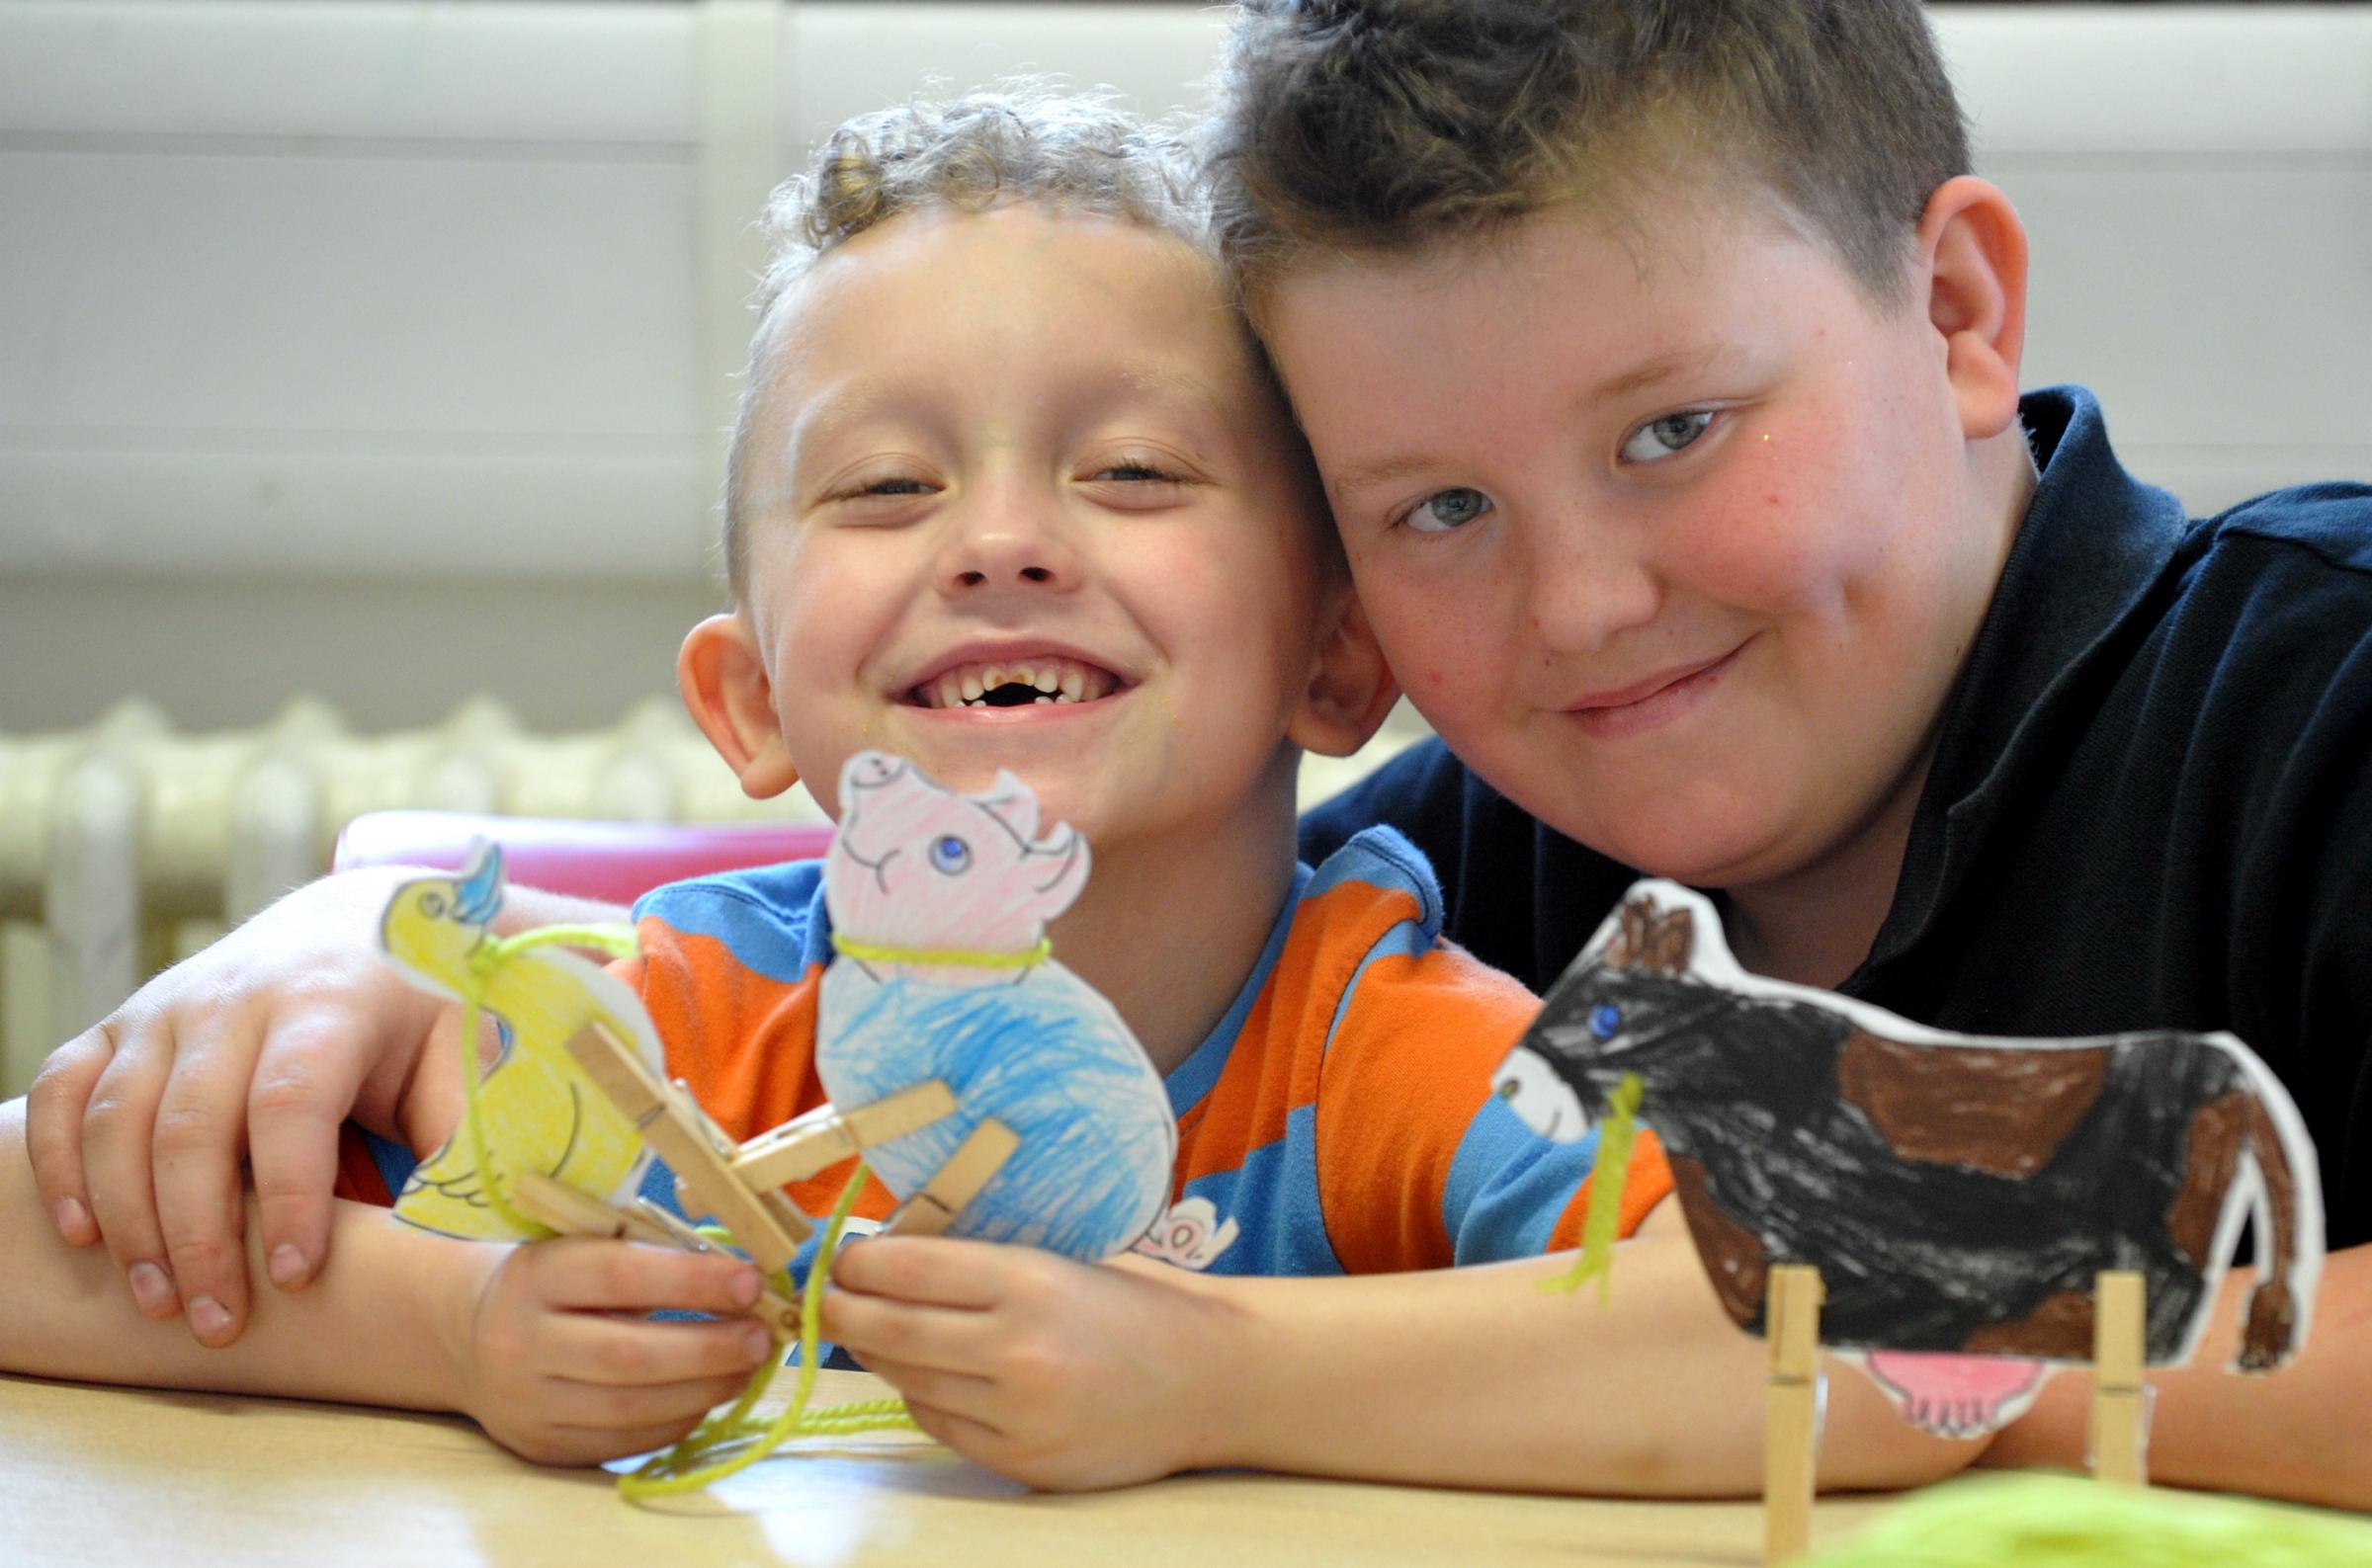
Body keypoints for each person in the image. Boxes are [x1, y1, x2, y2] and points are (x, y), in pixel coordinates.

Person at [2, 90, 1754, 1494]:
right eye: (885, 485)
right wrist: (458, 1333)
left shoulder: (1386, 1056)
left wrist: (1216, 1380)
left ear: (1334, 659)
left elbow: (1860, 1333)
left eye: (1132, 468)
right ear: (751, 702)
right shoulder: (679, 1033)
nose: (999, 542)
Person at [1202, 0, 2372, 1510]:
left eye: (1674, 429)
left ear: (1957, 313)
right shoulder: (1403, 906)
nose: (1579, 609)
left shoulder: (2327, 697)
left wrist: (1885, 1382)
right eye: (1440, 510)